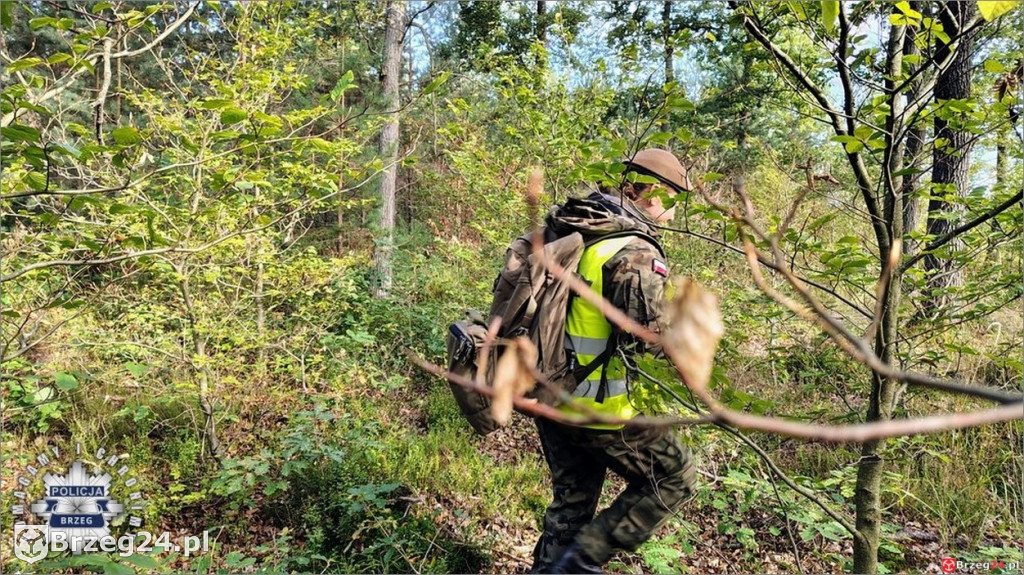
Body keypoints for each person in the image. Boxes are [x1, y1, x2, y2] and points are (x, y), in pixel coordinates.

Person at [530, 148, 698, 574]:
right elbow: (645, 334)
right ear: (647, 191)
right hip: (596, 408)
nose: (674, 215)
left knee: (571, 506)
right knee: (675, 474)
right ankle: (582, 563)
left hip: (547, 392)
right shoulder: (634, 249)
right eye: (672, 201)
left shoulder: (574, 227)